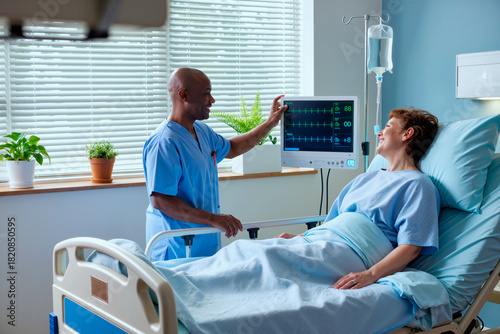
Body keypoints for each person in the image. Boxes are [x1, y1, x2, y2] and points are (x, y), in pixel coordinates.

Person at [277, 107, 440, 290]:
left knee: (270, 264)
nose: (379, 132)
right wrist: (300, 237)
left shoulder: (418, 184)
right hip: (319, 241)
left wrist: (370, 275)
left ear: (407, 134)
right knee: (256, 251)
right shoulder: (363, 178)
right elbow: (332, 224)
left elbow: (411, 247)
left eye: (387, 126)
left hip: (348, 252)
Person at [143, 67, 288, 260]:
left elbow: (234, 148)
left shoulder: (202, 132)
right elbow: (161, 200)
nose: (212, 100)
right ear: (184, 95)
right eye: (206, 94)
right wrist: (213, 219)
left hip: (203, 243)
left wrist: (271, 123)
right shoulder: (164, 142)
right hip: (176, 248)